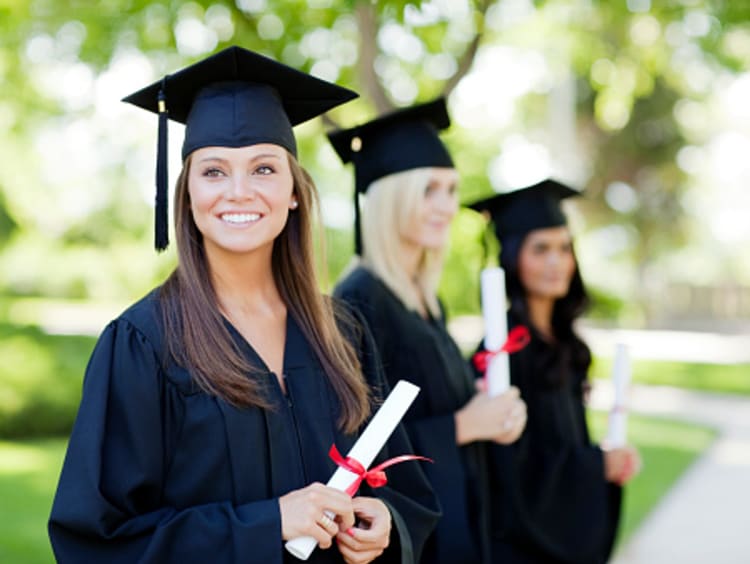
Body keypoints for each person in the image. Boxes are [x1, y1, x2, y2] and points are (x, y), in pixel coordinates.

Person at [48, 46, 440, 564]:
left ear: (294, 192)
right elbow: (97, 541)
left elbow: (404, 489)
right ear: (186, 192)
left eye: (263, 169)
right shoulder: (144, 344)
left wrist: (386, 521)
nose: (238, 192)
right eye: (213, 172)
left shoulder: (343, 332)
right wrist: (269, 523)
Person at [328, 99, 528, 564]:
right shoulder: (358, 301)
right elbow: (353, 444)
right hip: (408, 534)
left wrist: (481, 400)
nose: (447, 206)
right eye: (429, 190)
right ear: (392, 197)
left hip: (456, 515)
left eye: (452, 190)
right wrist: (463, 425)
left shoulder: (426, 299)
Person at [468, 179, 641, 564]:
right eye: (540, 249)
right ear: (513, 258)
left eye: (564, 248)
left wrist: (606, 458)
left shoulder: (563, 344)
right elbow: (511, 469)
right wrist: (598, 465)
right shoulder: (501, 352)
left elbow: (564, 444)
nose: (555, 261)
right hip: (520, 547)